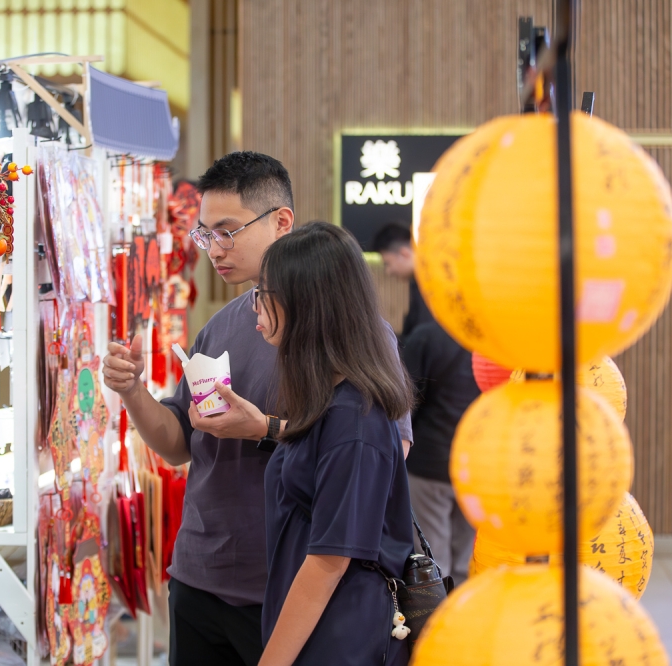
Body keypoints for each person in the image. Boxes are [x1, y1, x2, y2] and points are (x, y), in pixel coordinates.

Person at [102, 153, 412, 666]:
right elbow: (181, 442)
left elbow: (380, 461)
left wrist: (264, 429)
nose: (213, 250)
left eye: (226, 231)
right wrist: (133, 391)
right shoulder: (223, 323)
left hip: (288, 589)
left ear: (281, 223)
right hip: (199, 574)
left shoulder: (354, 343)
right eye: (204, 235)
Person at [253, 222, 415, 666]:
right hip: (321, 628)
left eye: (263, 292)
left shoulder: (355, 417)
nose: (256, 306)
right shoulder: (330, 400)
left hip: (342, 637)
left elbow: (328, 564)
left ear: (305, 303)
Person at [373, 222, 480, 585]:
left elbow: (407, 401)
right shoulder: (486, 338)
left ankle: (441, 631)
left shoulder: (424, 338)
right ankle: (467, 624)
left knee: (434, 558)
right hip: (476, 462)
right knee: (467, 559)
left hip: (430, 463)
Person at [371, 222, 433, 348]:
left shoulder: (430, 285)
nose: (388, 272)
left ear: (404, 253)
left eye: (387, 263)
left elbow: (425, 336)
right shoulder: (420, 283)